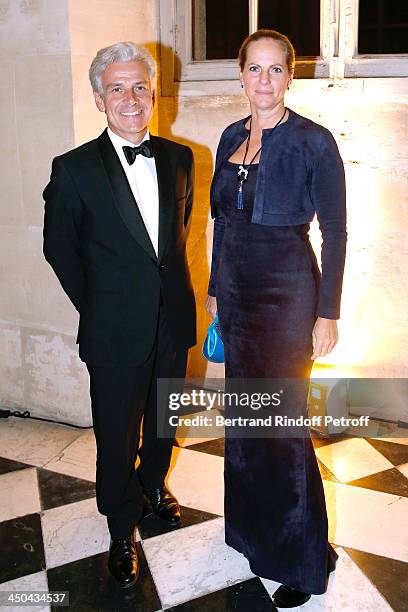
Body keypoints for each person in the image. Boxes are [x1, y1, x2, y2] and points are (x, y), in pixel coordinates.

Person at [43, 42, 196, 588]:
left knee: (163, 418)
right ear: (98, 97)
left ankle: (154, 484)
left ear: (152, 90)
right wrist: (105, 306)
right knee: (115, 434)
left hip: (171, 320)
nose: (130, 98)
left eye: (138, 86)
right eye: (116, 88)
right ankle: (118, 527)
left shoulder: (181, 159)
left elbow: (174, 238)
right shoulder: (74, 169)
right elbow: (60, 251)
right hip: (113, 329)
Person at [206, 30, 346, 608]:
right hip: (236, 295)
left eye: (275, 70)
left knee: (283, 431)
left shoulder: (315, 141)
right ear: (240, 75)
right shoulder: (228, 137)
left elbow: (335, 232)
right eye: (254, 69)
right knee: (244, 423)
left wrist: (326, 312)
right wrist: (215, 290)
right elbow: (220, 223)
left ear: (291, 76)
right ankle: (251, 534)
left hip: (287, 295)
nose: (264, 81)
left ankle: (301, 557)